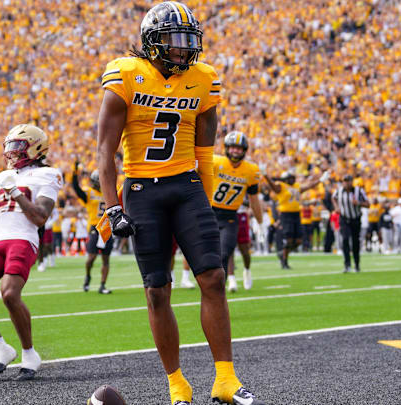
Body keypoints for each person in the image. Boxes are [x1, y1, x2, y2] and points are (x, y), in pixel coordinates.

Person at [96, 3, 263, 404]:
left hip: (187, 184)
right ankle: (177, 383)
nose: (183, 49)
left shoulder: (204, 78)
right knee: (157, 290)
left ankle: (225, 379)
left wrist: (203, 197)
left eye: (189, 41)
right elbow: (105, 152)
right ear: (151, 41)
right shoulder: (127, 74)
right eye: (173, 41)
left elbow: (205, 150)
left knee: (214, 277)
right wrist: (111, 206)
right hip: (141, 190)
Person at [0, 124, 62, 382]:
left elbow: (39, 217)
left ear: (36, 147)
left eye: (17, 146)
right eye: (9, 147)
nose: (11, 153)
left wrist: (14, 191)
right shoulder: (2, 177)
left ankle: (29, 353)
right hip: (0, 241)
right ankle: (1, 348)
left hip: (24, 239)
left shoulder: (48, 174)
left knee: (9, 293)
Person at [210, 132, 263, 292]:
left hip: (230, 217)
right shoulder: (215, 162)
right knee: (207, 256)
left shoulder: (251, 170)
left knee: (225, 253)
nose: (235, 151)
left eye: (238, 148)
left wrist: (260, 222)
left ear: (244, 150)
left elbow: (254, 199)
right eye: (232, 147)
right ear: (226, 148)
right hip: (209, 213)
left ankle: (219, 291)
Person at [263, 167, 327, 269]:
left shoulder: (296, 186)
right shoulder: (281, 186)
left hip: (296, 214)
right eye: (290, 178)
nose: (292, 179)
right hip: (286, 214)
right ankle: (284, 261)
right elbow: (273, 186)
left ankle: (282, 253)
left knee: (298, 241)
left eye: (292, 177)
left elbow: (309, 186)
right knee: (288, 240)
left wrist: (320, 180)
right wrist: (265, 175)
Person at [72, 165, 112, 293]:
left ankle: (102, 285)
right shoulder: (89, 192)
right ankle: (88, 276)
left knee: (106, 259)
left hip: (107, 227)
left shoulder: (110, 192)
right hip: (95, 227)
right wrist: (74, 173)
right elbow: (76, 189)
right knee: (91, 258)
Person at [332, 175, 369, 272]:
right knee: (345, 240)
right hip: (344, 219)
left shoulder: (359, 191)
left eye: (348, 181)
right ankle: (347, 264)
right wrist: (336, 207)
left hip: (355, 219)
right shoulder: (339, 191)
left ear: (352, 181)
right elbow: (333, 198)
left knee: (355, 242)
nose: (346, 183)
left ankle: (356, 264)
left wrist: (359, 203)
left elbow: (368, 204)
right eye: (344, 181)